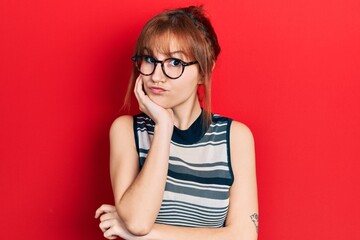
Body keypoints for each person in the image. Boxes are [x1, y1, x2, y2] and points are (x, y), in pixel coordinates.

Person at [95, 5, 258, 240]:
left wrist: (147, 234)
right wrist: (163, 126)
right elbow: (139, 221)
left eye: (174, 63)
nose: (156, 75)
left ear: (204, 72)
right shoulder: (126, 131)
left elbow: (244, 236)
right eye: (150, 59)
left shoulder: (235, 138)